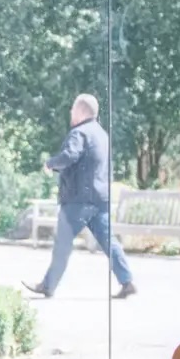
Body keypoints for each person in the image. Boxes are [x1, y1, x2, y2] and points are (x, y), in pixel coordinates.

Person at [27, 92, 135, 300]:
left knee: (63, 243)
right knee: (109, 241)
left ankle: (47, 286)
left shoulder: (79, 133)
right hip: (100, 199)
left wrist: (50, 164)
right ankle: (127, 281)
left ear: (81, 111)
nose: (70, 112)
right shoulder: (102, 135)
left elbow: (70, 155)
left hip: (78, 200)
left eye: (73, 108)